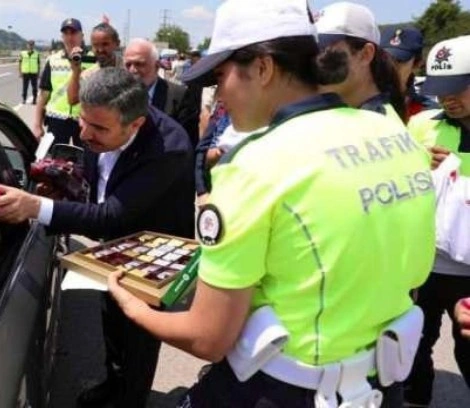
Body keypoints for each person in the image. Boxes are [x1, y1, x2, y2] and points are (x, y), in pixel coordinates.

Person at [107, 1, 436, 407]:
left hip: (282, 389)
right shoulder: (395, 135)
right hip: (382, 385)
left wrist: (134, 308)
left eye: (221, 76)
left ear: (263, 68)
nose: (219, 95)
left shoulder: (253, 165)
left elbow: (208, 337)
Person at [0, 67, 195, 407]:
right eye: (82, 120)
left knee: (137, 338)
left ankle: (130, 399)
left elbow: (112, 214)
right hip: (113, 246)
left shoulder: (169, 148)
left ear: (135, 125)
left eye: (97, 128)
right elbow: (100, 187)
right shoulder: (101, 124)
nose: (84, 134)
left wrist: (36, 206)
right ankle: (113, 385)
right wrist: (66, 189)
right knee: (110, 319)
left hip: (151, 256)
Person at [403, 35, 470, 408]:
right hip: (424, 265)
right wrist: (414, 164)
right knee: (414, 346)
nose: (448, 99)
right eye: (440, 89)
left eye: (457, 88)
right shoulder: (421, 124)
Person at [314, 2, 407, 124]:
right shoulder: (377, 118)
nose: (314, 61)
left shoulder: (373, 125)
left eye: (324, 50)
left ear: (365, 55)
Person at [123, 38, 200, 146]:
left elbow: (188, 142)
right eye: (128, 65)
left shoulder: (179, 96)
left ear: (157, 66)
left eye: (139, 64)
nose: (133, 70)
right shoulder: (118, 96)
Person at [33, 18, 97, 146]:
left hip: (85, 120)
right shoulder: (52, 60)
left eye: (73, 32)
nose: (69, 37)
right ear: (62, 36)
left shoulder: (93, 60)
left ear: (82, 36)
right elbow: (44, 94)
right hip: (57, 119)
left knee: (86, 162)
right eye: (65, 33)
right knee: (56, 162)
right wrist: (37, 125)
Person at [380, 26, 439, 118]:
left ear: (417, 64)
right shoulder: (358, 105)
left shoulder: (431, 114)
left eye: (399, 61)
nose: (390, 65)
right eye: (385, 59)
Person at [66, 23, 122, 107]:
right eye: (95, 45)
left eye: (105, 44)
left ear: (117, 44)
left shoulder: (129, 69)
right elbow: (72, 100)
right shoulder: (89, 75)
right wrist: (76, 72)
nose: (100, 49)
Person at [18, 40, 40, 105]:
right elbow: (20, 63)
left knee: (35, 88)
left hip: (34, 73)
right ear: (27, 45)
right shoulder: (22, 53)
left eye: (32, 44)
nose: (30, 46)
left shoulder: (37, 54)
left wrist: (38, 73)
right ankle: (24, 99)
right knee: (25, 87)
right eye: (29, 44)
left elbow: (38, 64)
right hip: (25, 72)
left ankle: (34, 100)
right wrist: (20, 72)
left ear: (33, 45)